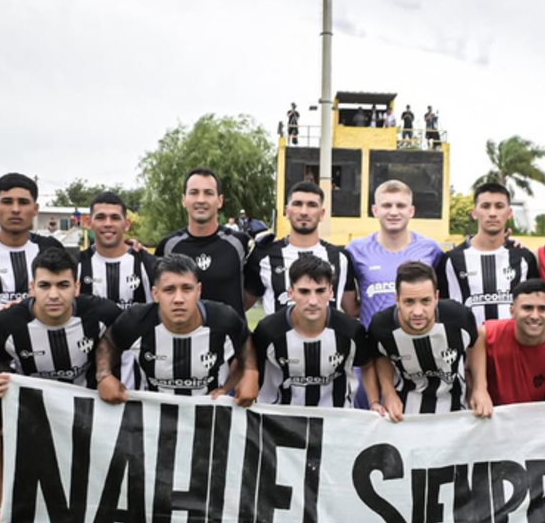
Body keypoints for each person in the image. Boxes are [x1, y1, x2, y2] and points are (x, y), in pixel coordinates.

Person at [95, 253, 258, 523]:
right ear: (155, 293)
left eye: (187, 288)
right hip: (158, 428)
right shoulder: (136, 320)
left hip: (211, 428)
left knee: (218, 505)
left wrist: (247, 375)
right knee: (162, 508)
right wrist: (105, 375)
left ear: (199, 290)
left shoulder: (222, 317)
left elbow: (246, 343)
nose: (179, 298)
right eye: (169, 290)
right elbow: (107, 343)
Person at [0, 247, 121, 523]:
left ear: (76, 286)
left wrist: (105, 373)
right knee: (18, 498)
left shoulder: (100, 314)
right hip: (26, 428)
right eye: (45, 285)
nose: (54, 294)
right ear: (30, 286)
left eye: (63, 285)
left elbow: (131, 332)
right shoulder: (5, 325)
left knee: (95, 497)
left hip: (82, 426)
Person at [369, 261, 490, 419]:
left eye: (425, 301)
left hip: (455, 405)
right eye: (409, 302)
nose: (418, 311)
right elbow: (380, 355)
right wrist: (389, 393)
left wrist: (480, 389)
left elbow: (477, 340)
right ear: (397, 299)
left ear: (436, 297)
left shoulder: (459, 318)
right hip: (404, 409)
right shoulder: (382, 327)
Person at [254, 256, 373, 407]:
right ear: (291, 293)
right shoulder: (269, 331)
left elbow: (367, 364)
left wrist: (374, 401)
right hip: (281, 422)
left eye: (320, 291)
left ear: (330, 292)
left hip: (338, 420)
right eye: (304, 291)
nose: (313, 301)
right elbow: (252, 365)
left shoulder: (351, 331)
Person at [79, 191, 156, 394]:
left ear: (126, 224)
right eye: (101, 217)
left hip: (140, 376)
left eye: (115, 217)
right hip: (87, 378)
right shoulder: (76, 266)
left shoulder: (147, 265)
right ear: (89, 222)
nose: (108, 223)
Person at [245, 182, 358, 317]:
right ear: (287, 212)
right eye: (297, 204)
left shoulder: (340, 258)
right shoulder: (264, 256)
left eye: (312, 205)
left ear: (322, 214)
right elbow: (240, 306)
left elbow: (352, 310)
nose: (304, 212)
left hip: (328, 338)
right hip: (277, 338)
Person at [437, 182, 539, 326]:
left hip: (512, 345)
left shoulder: (524, 258)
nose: (492, 213)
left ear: (509, 213)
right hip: (468, 345)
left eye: (499, 206)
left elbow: (535, 305)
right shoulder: (451, 260)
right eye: (485, 206)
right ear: (474, 213)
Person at [155, 167, 252, 318]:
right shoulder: (168, 246)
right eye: (194, 193)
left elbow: (254, 289)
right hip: (184, 338)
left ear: (219, 201)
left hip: (230, 339)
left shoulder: (240, 243)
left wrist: (230, 317)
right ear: (184, 200)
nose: (201, 200)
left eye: (208, 193)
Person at [347, 180, 442, 331]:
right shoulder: (355, 250)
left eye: (401, 206)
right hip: (374, 346)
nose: (393, 212)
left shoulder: (431, 249)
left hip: (419, 343)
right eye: (386, 205)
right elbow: (350, 308)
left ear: (411, 211)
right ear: (375, 210)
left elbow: (439, 299)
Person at [470, 279, 545, 406]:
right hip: (490, 416)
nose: (535, 316)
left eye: (542, 309)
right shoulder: (488, 335)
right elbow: (470, 369)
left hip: (536, 419)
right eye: (527, 308)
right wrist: (479, 390)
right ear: (512, 311)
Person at [0, 173, 64, 308]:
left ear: (35, 209)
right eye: (7, 202)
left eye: (23, 202)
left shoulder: (50, 248)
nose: (15, 209)